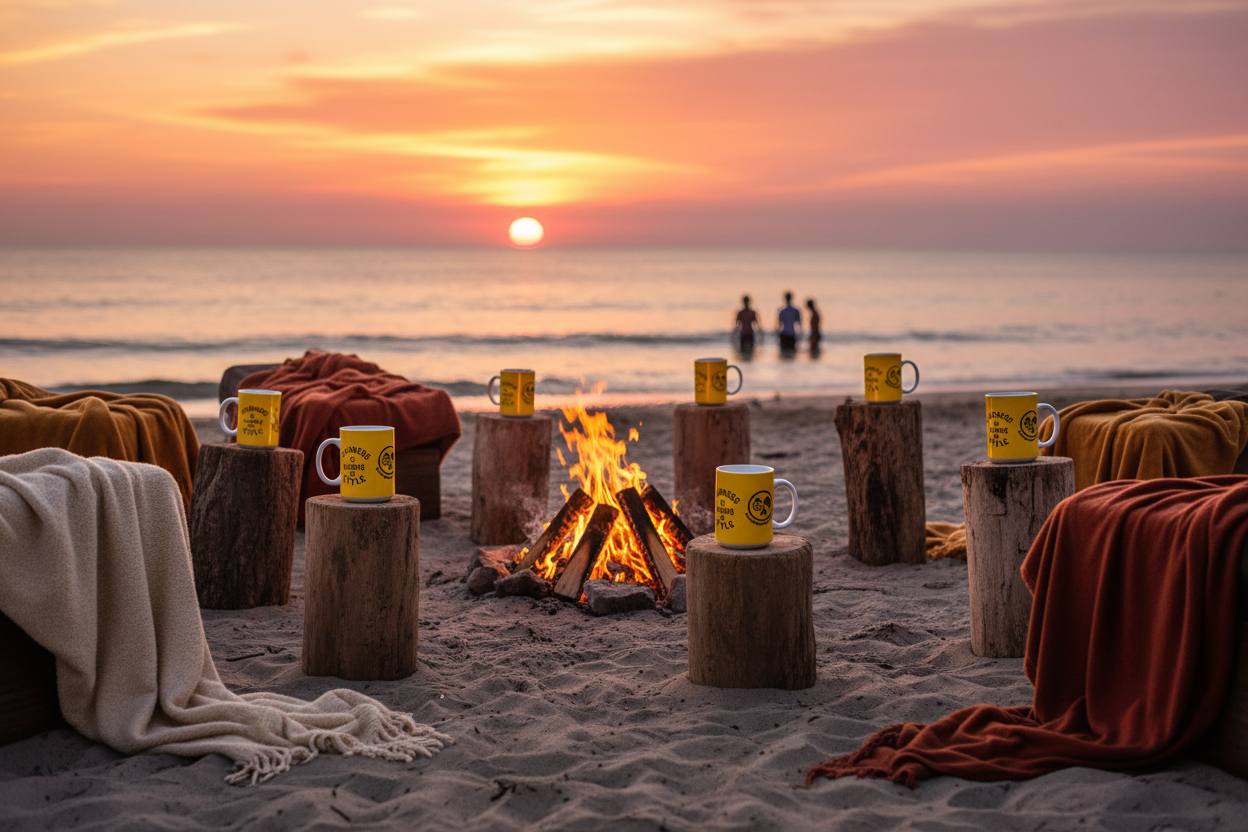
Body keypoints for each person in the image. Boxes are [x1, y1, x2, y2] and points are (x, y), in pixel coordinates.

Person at [777, 292, 802, 356]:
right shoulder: (795, 310)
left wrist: (777, 335)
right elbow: (799, 324)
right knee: (792, 354)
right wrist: (800, 335)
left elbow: (779, 325)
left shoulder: (782, 311)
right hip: (791, 334)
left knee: (783, 353)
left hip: (784, 333)